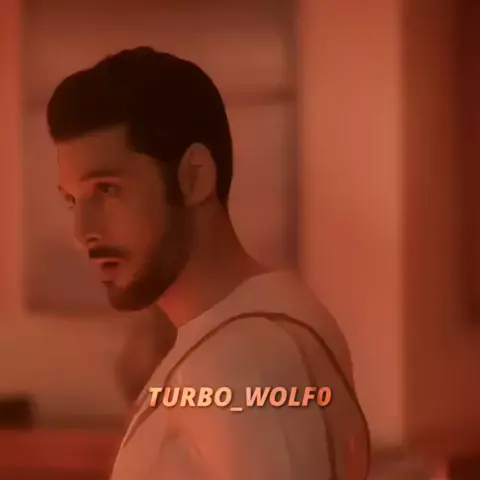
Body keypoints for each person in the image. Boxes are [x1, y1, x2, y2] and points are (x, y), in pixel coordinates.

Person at [47, 47, 370, 480]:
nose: (82, 230)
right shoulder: (265, 323)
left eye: (107, 190)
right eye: (72, 200)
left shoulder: (240, 361)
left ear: (194, 177)